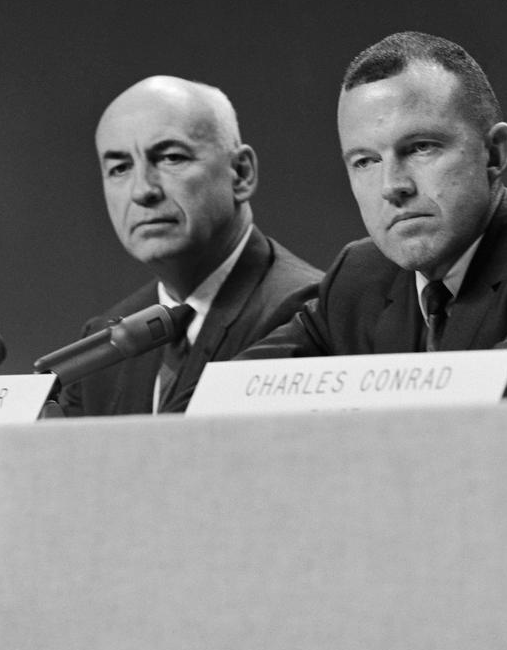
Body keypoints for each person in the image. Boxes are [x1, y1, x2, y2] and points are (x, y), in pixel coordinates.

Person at [233, 31, 507, 379]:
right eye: (365, 161)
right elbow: (230, 398)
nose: (393, 186)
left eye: (421, 148)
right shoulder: (360, 277)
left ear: (495, 152)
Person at [55, 76, 321, 415]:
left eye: (170, 158)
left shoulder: (307, 312)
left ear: (240, 173)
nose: (142, 191)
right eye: (120, 168)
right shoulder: (103, 342)